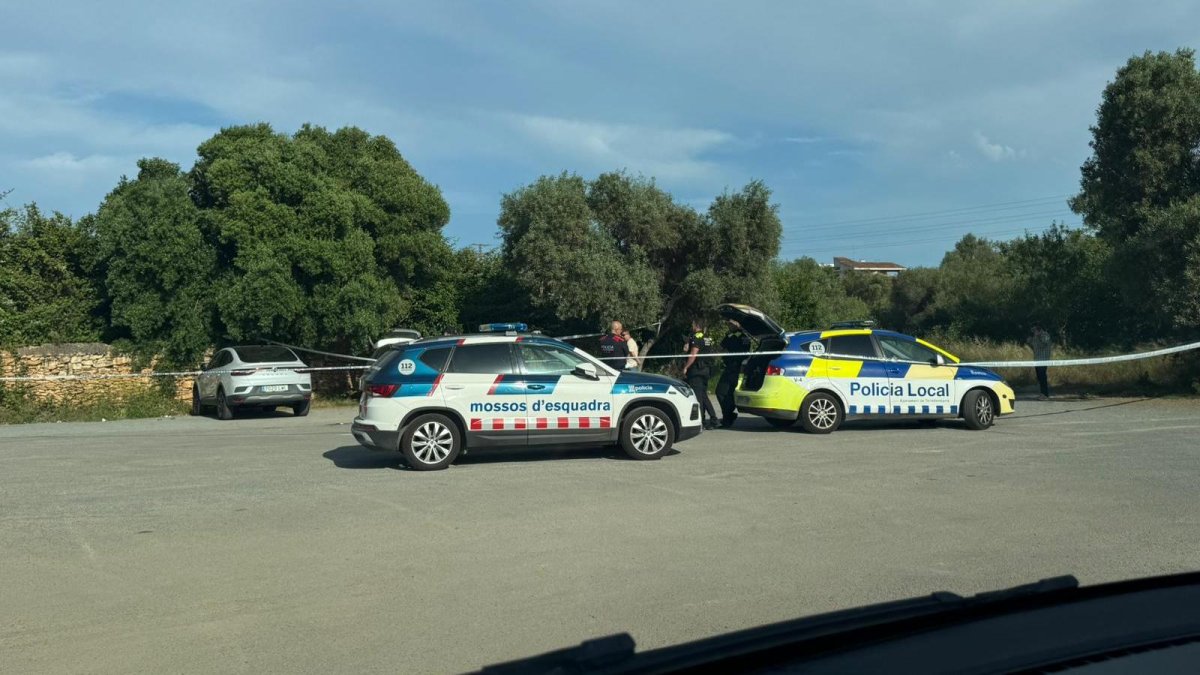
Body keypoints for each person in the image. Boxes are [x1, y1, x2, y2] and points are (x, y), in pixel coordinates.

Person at [683, 319, 718, 430]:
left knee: (698, 397)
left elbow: (693, 354)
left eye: (692, 324)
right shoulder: (707, 337)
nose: (691, 326)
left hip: (696, 370)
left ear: (696, 325)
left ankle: (701, 422)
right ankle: (713, 419)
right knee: (703, 395)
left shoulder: (696, 337)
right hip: (706, 369)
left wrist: (685, 367)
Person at [716, 320, 752, 428]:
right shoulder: (729, 335)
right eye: (728, 324)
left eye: (731, 324)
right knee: (721, 392)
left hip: (737, 369)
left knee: (726, 393)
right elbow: (720, 347)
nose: (729, 326)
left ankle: (728, 417)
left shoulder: (744, 337)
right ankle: (729, 415)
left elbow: (745, 353)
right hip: (729, 367)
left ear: (738, 324)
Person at [1027, 324, 1052, 399]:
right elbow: (1034, 347)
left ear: (1039, 330)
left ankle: (1045, 394)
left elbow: (1044, 343)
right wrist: (1029, 342)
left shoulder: (1045, 335)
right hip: (1037, 360)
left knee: (1042, 377)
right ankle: (1042, 393)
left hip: (1043, 360)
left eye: (1034, 330)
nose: (1033, 332)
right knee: (1039, 378)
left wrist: (1038, 336)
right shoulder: (1035, 336)